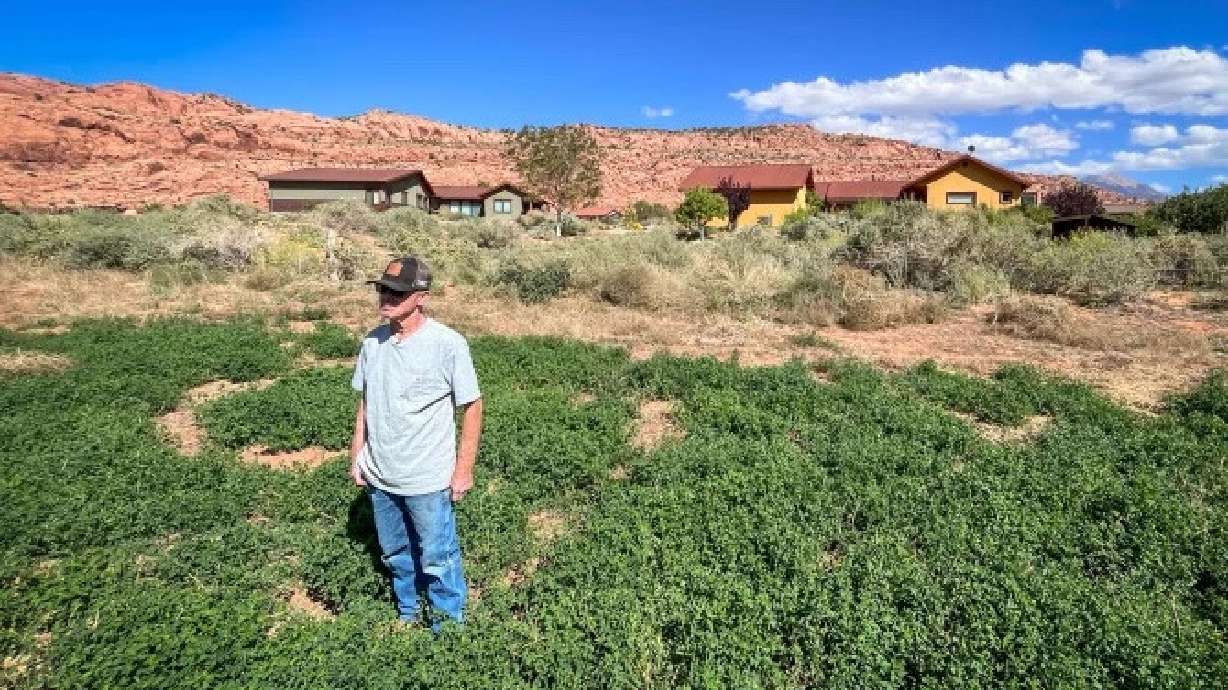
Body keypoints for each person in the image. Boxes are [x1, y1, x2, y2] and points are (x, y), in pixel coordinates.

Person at [349, 256, 483, 631]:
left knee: (438, 557)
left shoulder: (447, 344)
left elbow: (472, 406)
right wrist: (357, 454)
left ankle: (448, 628)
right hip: (380, 475)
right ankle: (407, 612)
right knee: (394, 552)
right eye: (382, 289)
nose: (386, 297)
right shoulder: (372, 342)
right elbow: (366, 403)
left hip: (426, 478)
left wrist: (463, 470)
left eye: (396, 292)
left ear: (420, 297)